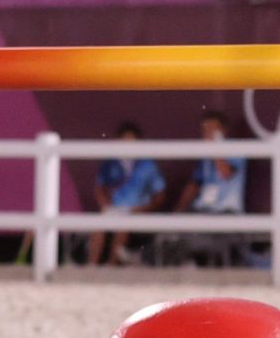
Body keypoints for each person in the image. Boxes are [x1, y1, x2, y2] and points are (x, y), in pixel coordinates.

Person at [174, 108, 250, 266]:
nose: (207, 133)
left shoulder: (236, 149)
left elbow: (226, 173)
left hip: (226, 212)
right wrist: (178, 210)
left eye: (212, 129)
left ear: (223, 130)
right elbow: (194, 184)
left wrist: (215, 149)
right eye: (204, 129)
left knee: (210, 236)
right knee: (179, 226)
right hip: (204, 209)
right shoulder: (205, 155)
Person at [89, 121, 165, 266]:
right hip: (115, 208)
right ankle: (91, 267)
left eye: (132, 140)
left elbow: (160, 195)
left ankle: (112, 266)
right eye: (124, 140)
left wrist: (144, 209)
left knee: (122, 227)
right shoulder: (110, 163)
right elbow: (99, 187)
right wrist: (105, 205)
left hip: (138, 210)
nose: (128, 144)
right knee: (98, 226)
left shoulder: (148, 165)